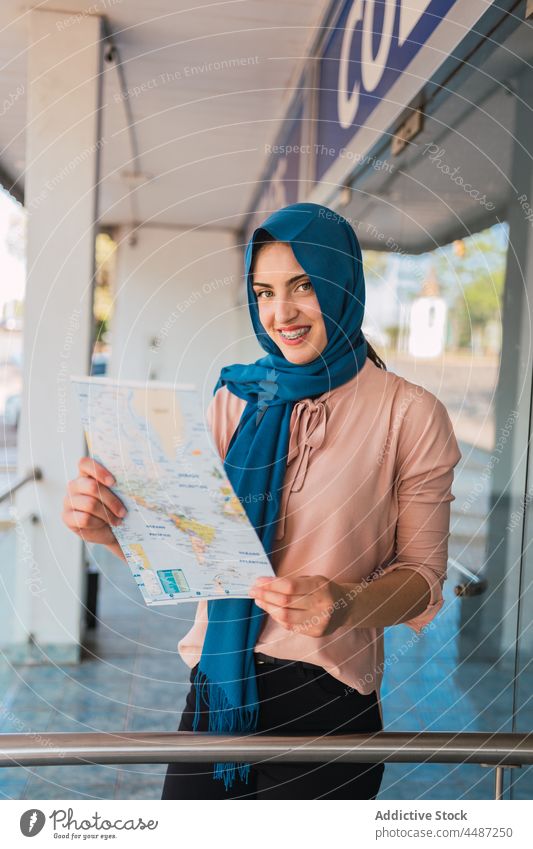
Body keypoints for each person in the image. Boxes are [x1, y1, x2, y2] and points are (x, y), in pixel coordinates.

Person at [63, 202, 461, 800]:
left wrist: (347, 604)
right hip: (215, 690)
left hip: (325, 707)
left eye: (303, 286)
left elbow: (424, 580)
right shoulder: (236, 397)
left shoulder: (409, 414)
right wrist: (111, 532)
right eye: (264, 291)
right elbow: (198, 558)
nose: (281, 313)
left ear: (342, 282)